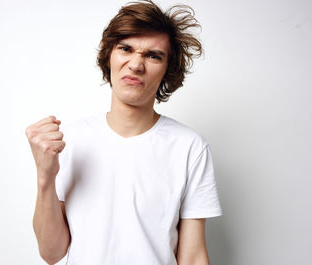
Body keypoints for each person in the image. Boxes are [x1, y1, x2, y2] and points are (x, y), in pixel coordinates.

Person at [25, 0, 222, 264]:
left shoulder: (189, 147)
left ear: (167, 70)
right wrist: (45, 176)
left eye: (153, 55)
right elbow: (52, 252)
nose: (136, 64)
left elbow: (193, 255)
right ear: (109, 55)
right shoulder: (68, 140)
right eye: (125, 49)